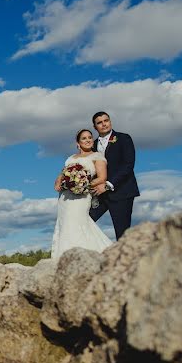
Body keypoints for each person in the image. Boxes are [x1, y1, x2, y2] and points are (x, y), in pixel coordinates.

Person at [51, 129, 113, 260]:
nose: (88, 140)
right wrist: (58, 181)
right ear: (78, 143)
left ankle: (84, 259)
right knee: (64, 224)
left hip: (82, 196)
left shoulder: (97, 156)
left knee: (77, 223)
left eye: (90, 137)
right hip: (64, 198)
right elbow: (63, 174)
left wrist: (83, 185)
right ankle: (61, 259)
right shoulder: (71, 158)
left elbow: (102, 177)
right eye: (84, 138)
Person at [89, 111, 139, 239]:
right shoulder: (92, 145)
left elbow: (128, 164)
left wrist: (107, 185)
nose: (104, 124)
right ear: (95, 127)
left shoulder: (124, 138)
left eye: (106, 120)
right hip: (99, 194)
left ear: (110, 121)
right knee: (84, 219)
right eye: (99, 122)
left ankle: (126, 258)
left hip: (121, 192)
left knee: (122, 234)